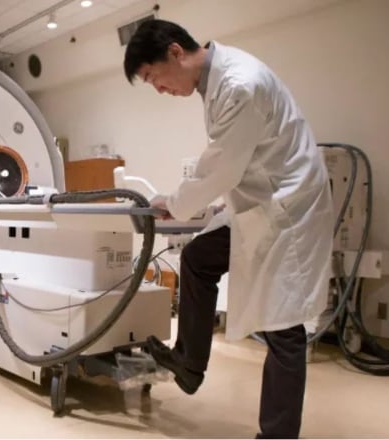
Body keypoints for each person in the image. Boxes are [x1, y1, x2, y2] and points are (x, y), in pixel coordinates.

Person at [123, 19, 334, 439]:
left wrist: (177, 202)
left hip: (287, 210)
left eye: (153, 78)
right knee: (198, 257)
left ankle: (277, 434)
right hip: (260, 203)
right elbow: (236, 156)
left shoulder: (238, 83)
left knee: (283, 327)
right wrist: (203, 201)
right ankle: (189, 362)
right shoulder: (217, 80)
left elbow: (222, 163)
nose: (159, 90)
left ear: (175, 53)